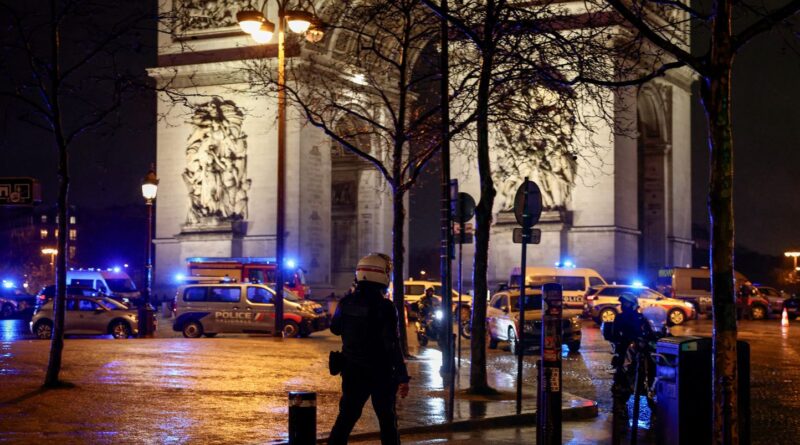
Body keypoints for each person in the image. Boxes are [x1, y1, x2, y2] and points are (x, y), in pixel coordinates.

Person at [328, 253, 410, 445]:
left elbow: (334, 328)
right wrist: (402, 376)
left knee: (345, 419)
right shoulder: (386, 307)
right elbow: (392, 344)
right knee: (387, 421)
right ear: (383, 275)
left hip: (352, 371)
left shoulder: (346, 302)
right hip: (380, 372)